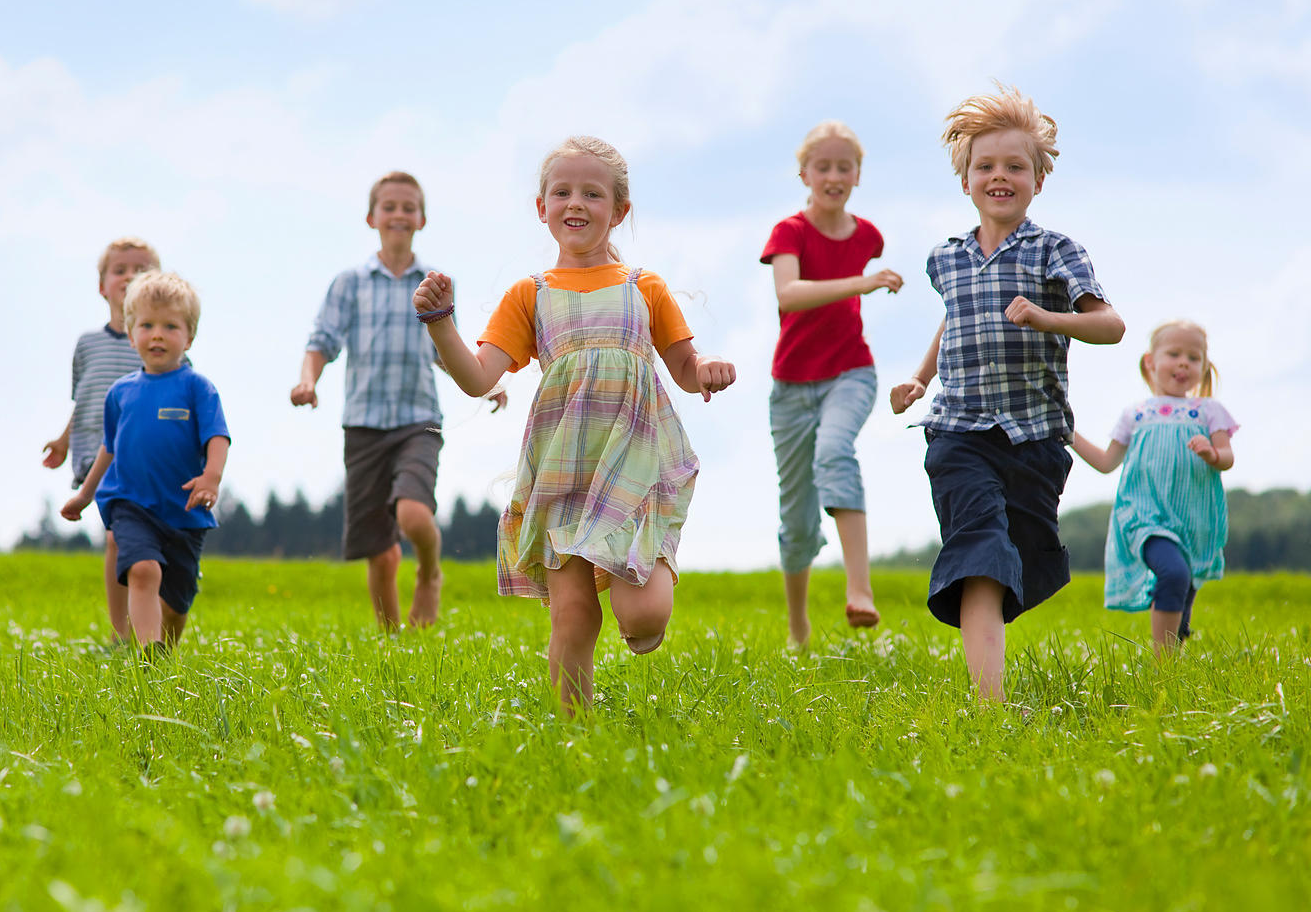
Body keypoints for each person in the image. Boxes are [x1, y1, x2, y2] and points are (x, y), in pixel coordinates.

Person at [413, 136, 736, 714]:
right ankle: (572, 729)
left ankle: (645, 601)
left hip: (633, 464)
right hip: (563, 472)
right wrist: (442, 324)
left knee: (642, 617)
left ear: (620, 211)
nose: (575, 202)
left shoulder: (645, 288)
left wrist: (706, 370)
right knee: (574, 613)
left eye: (592, 192)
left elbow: (685, 369)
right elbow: (479, 378)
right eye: (561, 192)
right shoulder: (529, 295)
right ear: (542, 208)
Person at [890, 86, 1124, 702]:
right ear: (965, 180)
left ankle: (1002, 606)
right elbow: (954, 319)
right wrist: (920, 378)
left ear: (1039, 179)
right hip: (958, 432)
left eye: (1015, 166)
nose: (1000, 176)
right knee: (980, 554)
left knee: (1023, 555)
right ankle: (988, 704)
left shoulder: (1056, 250)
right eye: (985, 166)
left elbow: (1111, 326)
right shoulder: (945, 258)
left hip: (1035, 439)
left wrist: (1051, 319)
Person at [291, 171, 507, 632]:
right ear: (372, 217)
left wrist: (487, 384)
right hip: (364, 424)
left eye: (409, 207)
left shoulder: (433, 285)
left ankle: (429, 570)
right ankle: (392, 639)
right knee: (379, 547)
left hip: (418, 420)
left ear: (422, 220)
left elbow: (446, 351)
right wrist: (308, 380)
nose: (399, 214)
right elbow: (322, 340)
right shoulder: (349, 283)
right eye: (389, 206)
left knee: (412, 514)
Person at [761, 120, 903, 647]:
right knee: (796, 520)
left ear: (858, 175)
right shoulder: (789, 233)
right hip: (792, 385)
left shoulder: (868, 236)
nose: (834, 175)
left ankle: (859, 590)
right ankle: (798, 626)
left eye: (845, 166)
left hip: (852, 371)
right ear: (805, 173)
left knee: (835, 452)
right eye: (824, 166)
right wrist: (864, 281)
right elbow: (790, 294)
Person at [62, 271, 230, 653]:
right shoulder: (120, 393)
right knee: (142, 570)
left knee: (176, 606)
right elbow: (109, 447)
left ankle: (163, 653)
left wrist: (211, 478)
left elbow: (217, 437)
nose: (157, 334)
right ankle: (146, 655)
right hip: (131, 504)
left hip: (183, 509)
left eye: (170, 326)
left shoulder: (197, 387)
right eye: (147, 325)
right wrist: (86, 495)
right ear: (131, 331)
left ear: (189, 337)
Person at [1070, 320, 1235, 655]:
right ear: (1151, 362)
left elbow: (1228, 457)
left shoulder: (1209, 411)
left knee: (1182, 592)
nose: (1184, 363)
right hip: (1144, 516)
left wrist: (1212, 452)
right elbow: (1106, 462)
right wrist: (1068, 434)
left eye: (1194, 357)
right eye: (1174, 354)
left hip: (1193, 520)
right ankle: (1163, 670)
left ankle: (1173, 653)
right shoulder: (1136, 414)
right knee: (1173, 574)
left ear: (1203, 367)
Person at [42, 237, 160, 644]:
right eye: (120, 270)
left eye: (141, 270)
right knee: (116, 535)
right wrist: (62, 441)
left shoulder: (159, 344)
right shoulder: (88, 345)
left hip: (147, 457)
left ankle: (142, 627)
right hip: (97, 455)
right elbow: (86, 398)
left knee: (136, 540)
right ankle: (121, 634)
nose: (129, 276)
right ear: (102, 286)